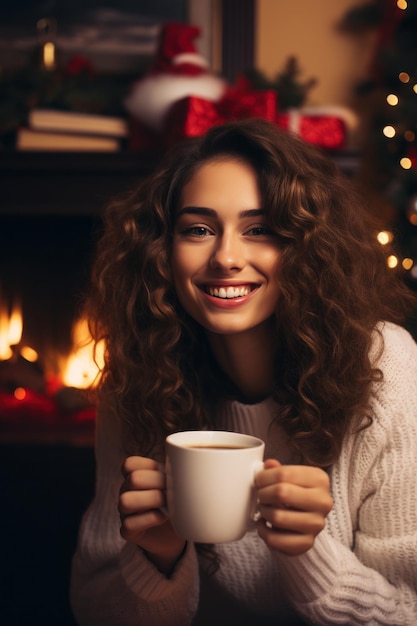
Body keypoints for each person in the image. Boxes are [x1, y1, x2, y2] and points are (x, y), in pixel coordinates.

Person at [70, 118, 417, 626]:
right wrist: (157, 558)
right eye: (198, 230)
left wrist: (310, 555)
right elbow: (95, 610)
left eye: (259, 230)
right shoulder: (140, 374)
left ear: (305, 247)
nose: (227, 257)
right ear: (162, 253)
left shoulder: (385, 366)